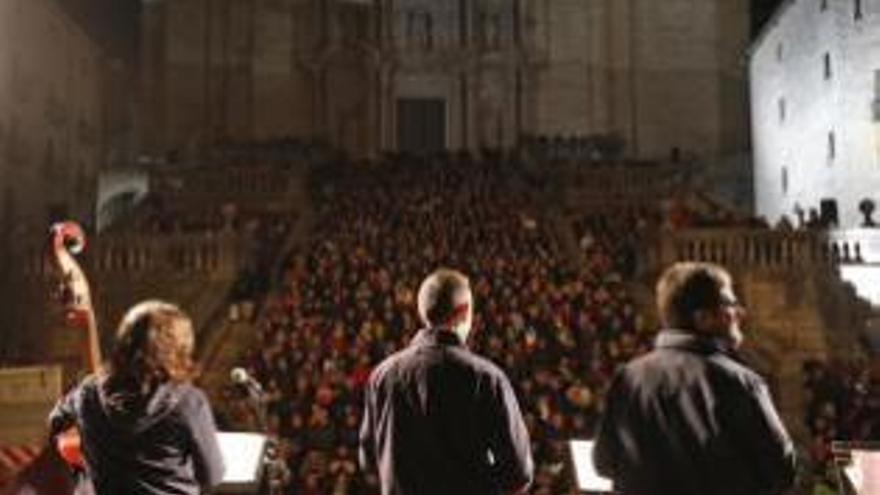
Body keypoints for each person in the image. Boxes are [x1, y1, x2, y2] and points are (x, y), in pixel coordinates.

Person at [593, 262, 796, 495]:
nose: (740, 313)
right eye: (729, 304)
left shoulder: (627, 379)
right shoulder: (740, 382)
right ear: (703, 318)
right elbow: (781, 471)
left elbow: (604, 464)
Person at [359, 268, 533, 495]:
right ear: (464, 311)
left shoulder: (381, 377)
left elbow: (369, 462)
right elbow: (518, 473)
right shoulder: (487, 378)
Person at [48, 300, 225, 495]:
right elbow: (212, 476)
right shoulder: (188, 402)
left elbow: (55, 423)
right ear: (179, 348)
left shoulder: (86, 395)